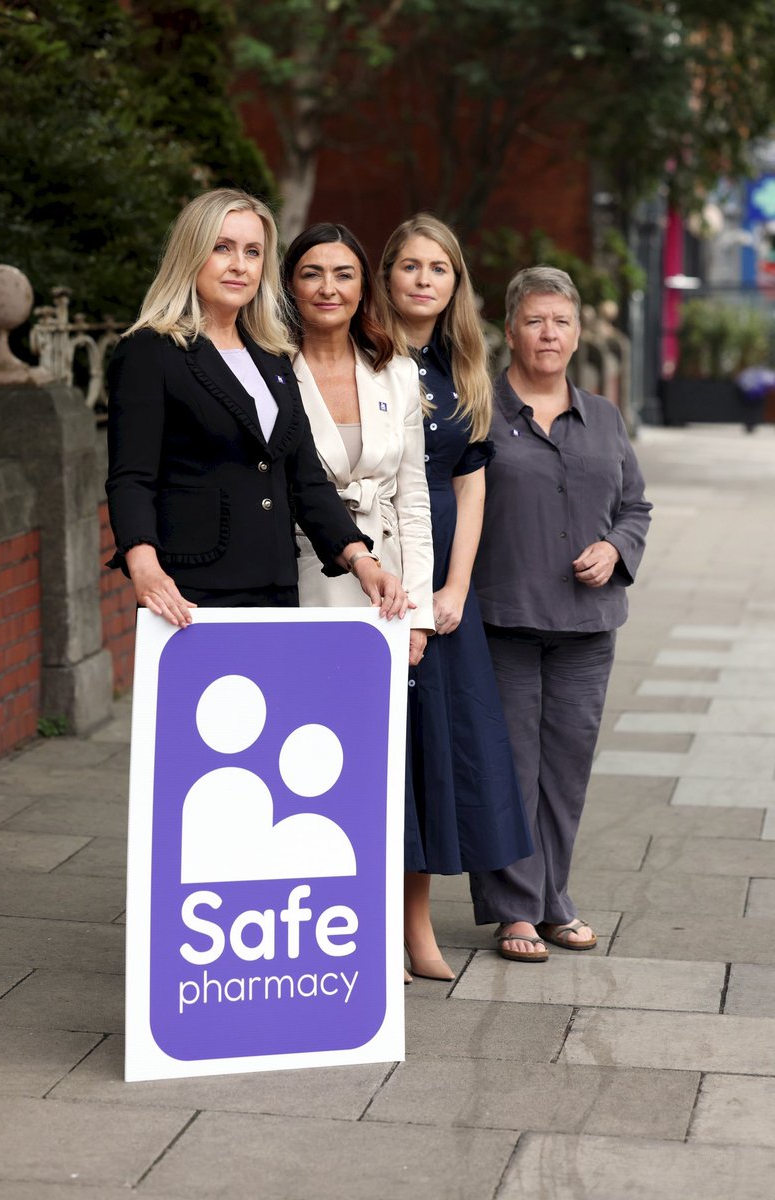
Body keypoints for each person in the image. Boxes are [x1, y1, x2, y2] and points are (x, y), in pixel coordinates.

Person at [105, 189, 410, 622]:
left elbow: (305, 480)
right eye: (222, 248)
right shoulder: (149, 351)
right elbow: (131, 478)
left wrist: (362, 561)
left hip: (277, 586)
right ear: (191, 253)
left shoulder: (272, 357)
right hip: (188, 594)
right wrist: (144, 568)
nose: (239, 265)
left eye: (253, 252)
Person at [470, 266, 652, 961]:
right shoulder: (479, 409)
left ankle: (554, 899)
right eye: (536, 320)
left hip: (586, 627)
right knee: (512, 769)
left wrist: (614, 546)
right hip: (504, 619)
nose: (550, 333)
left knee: (566, 772)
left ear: (578, 335)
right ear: (510, 330)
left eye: (563, 322)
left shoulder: (603, 416)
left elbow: (636, 504)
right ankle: (515, 909)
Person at [376, 214, 533, 977]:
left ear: (455, 283)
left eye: (439, 268)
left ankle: (417, 926)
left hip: (442, 581)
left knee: (440, 755)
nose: (424, 279)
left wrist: (456, 588)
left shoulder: (460, 363)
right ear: (389, 274)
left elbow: (471, 486)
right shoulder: (361, 355)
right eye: (410, 265)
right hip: (372, 568)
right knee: (383, 753)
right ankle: (366, 923)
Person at [282, 222, 438, 982]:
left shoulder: (396, 371)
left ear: (361, 287)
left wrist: (417, 614)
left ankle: (373, 928)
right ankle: (309, 921)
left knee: (374, 767)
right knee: (308, 763)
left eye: (343, 274)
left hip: (382, 592)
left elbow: (413, 501)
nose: (328, 288)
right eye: (312, 273)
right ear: (291, 285)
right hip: (302, 578)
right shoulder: (269, 368)